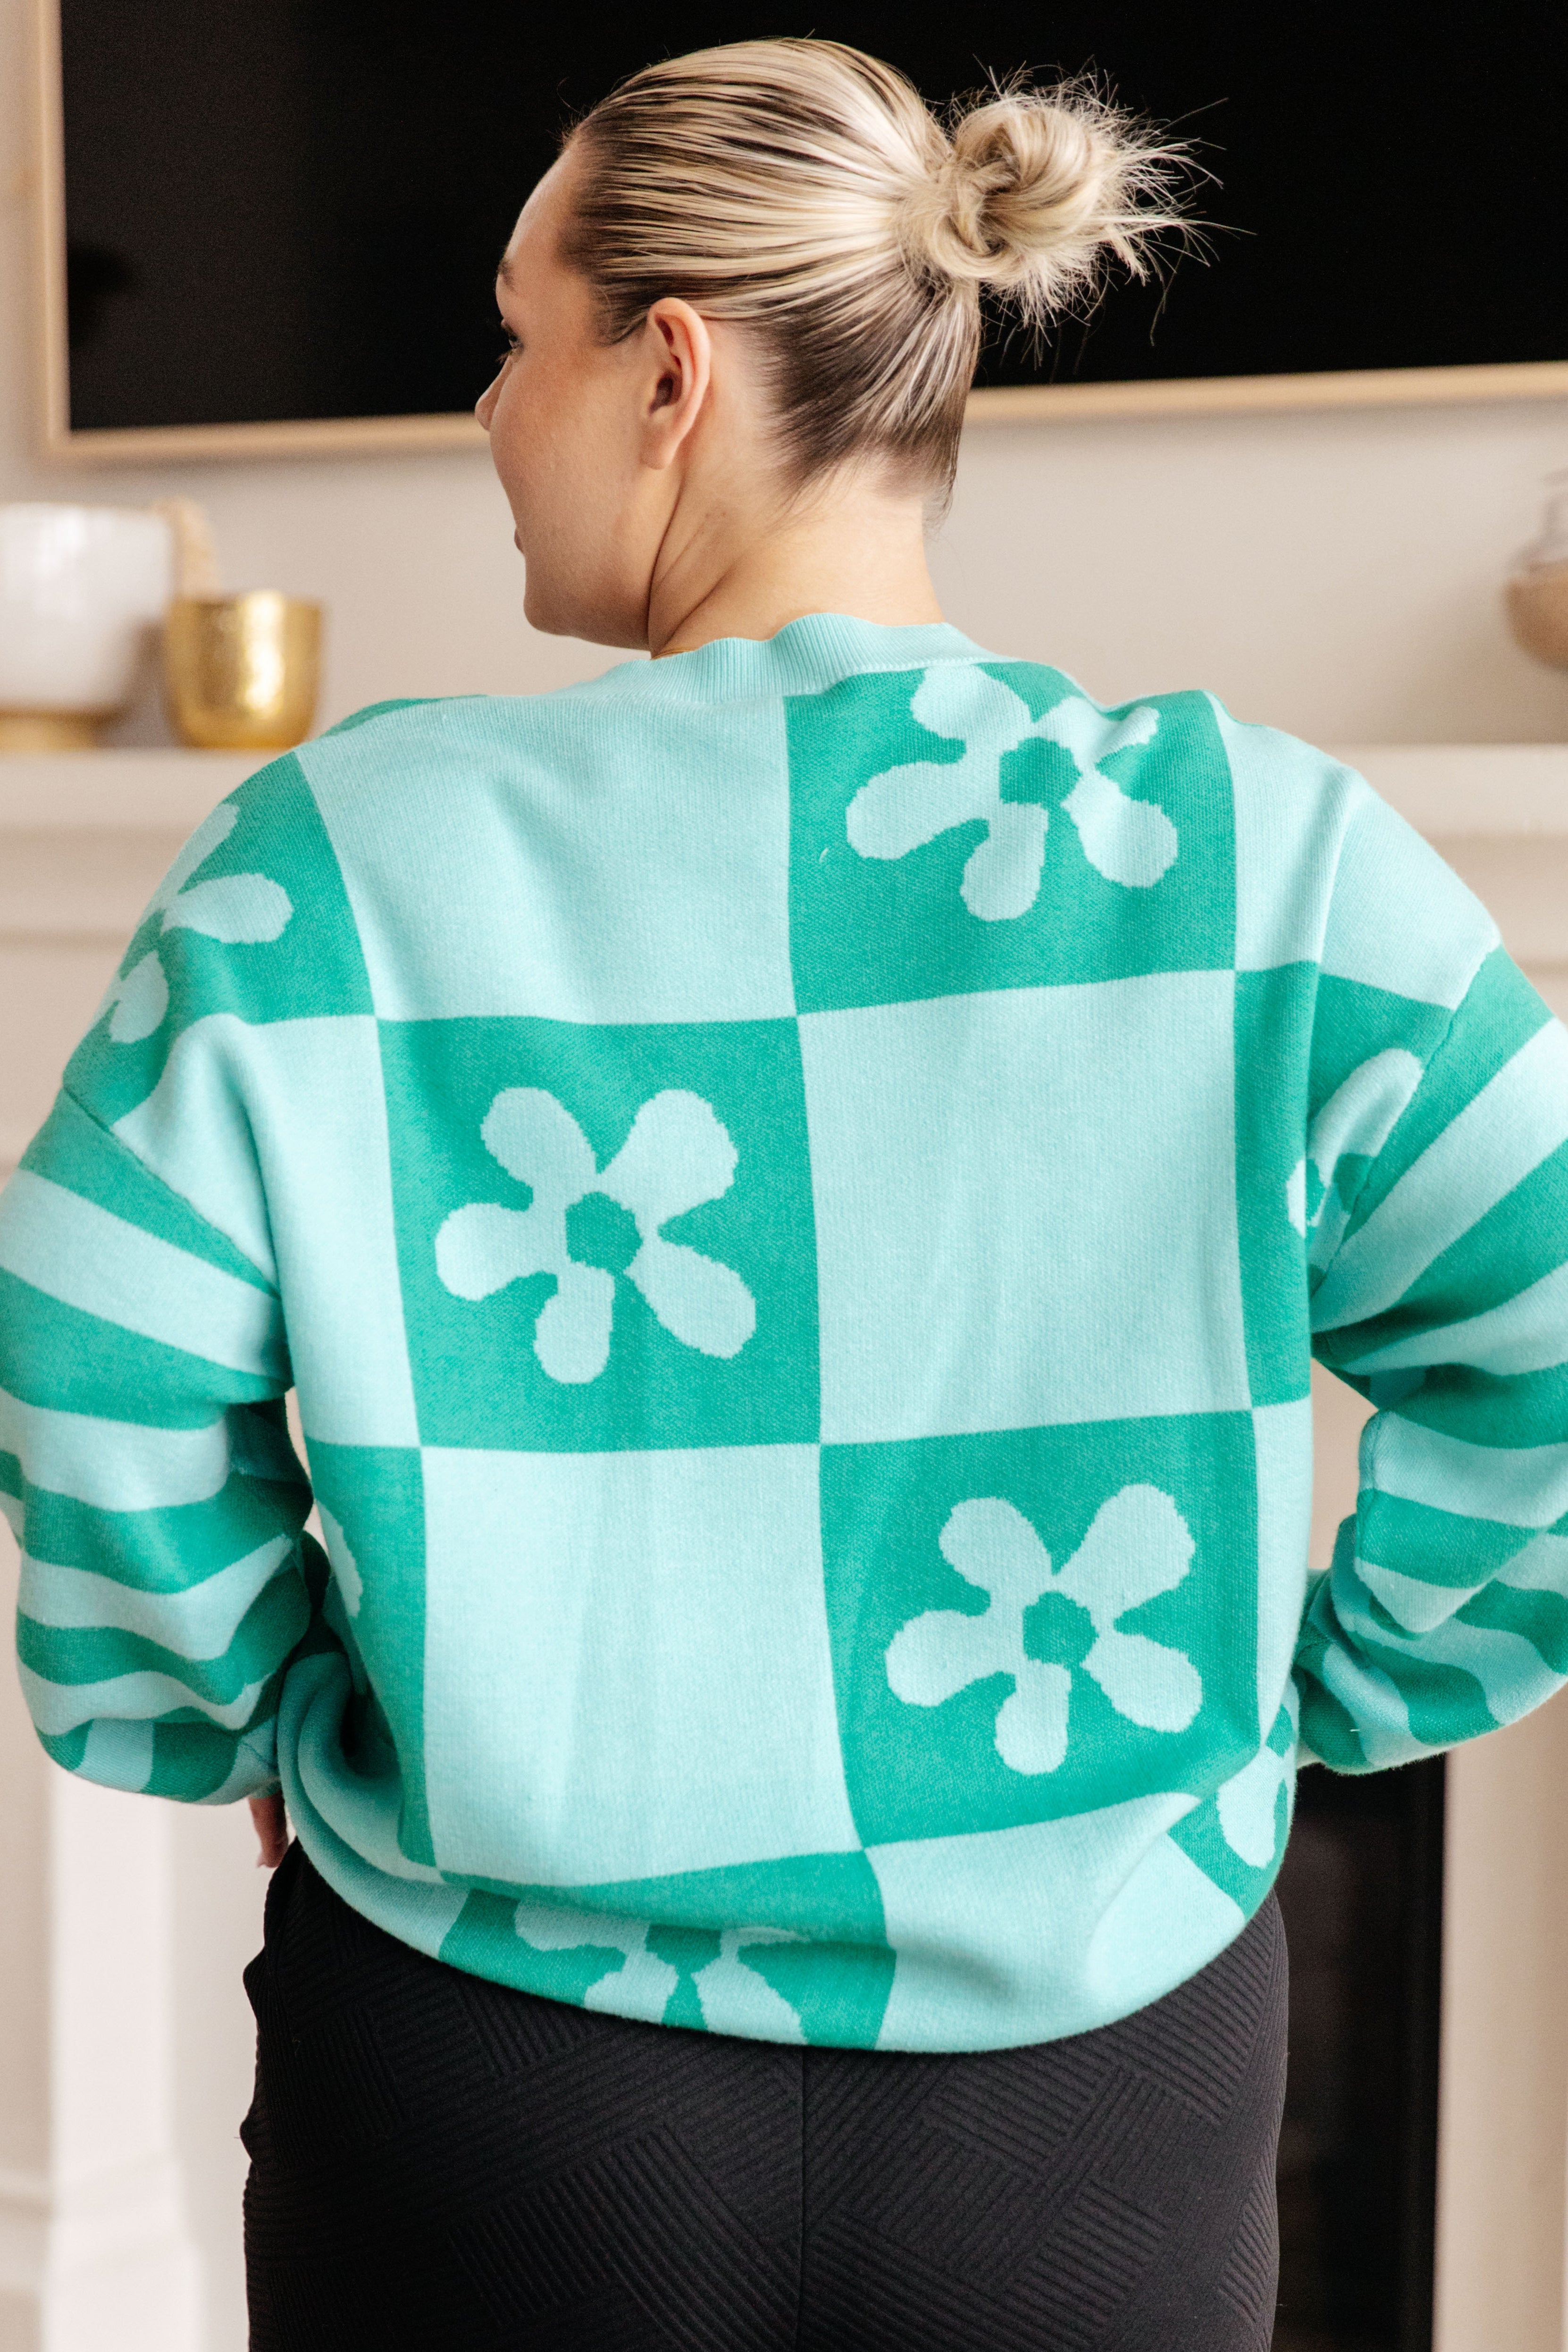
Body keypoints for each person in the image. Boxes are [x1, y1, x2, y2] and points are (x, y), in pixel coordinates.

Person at [3, 36, 1566, 2352]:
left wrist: (248, 1706)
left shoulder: (337, 859)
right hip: (1095, 2108)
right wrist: (1330, 1697)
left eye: (515, 339)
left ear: (671, 372)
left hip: (497, 2090)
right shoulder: (1262, 852)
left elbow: (90, 1338)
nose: (486, 415)